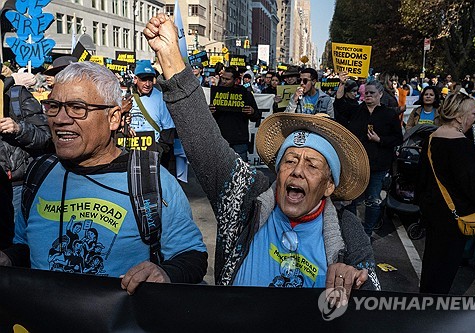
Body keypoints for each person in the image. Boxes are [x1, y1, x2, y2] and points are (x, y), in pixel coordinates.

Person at [144, 14, 380, 298]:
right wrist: (171, 58)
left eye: (312, 164)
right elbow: (205, 145)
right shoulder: (246, 200)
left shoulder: (348, 230)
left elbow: (375, 292)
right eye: (289, 160)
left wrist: (357, 282)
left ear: (329, 185)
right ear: (277, 171)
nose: (297, 171)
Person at [0, 61, 207, 294]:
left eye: (77, 108)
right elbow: (26, 247)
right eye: (53, 106)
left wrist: (166, 273)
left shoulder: (151, 180)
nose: (60, 119)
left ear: (114, 118)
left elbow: (191, 257)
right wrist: (8, 258)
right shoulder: (39, 173)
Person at [417, 91, 475, 294]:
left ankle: (425, 304)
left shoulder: (431, 137)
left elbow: (422, 179)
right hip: (456, 219)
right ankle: (433, 311)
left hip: (434, 213)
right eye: (473, 113)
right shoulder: (461, 146)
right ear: (459, 116)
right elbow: (474, 186)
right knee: (444, 271)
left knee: (431, 265)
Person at [335, 72, 403, 237]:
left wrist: (380, 139)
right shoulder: (357, 110)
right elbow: (339, 105)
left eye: (372, 93)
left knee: (372, 200)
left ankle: (367, 232)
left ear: (380, 94)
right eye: (366, 93)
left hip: (377, 165)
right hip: (356, 163)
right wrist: (342, 84)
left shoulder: (389, 114)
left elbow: (398, 138)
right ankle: (352, 231)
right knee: (350, 198)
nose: (368, 96)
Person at [1, 71, 52, 219]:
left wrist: (19, 128)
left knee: (14, 237)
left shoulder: (16, 95)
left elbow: (45, 137)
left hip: (14, 186)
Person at [129, 60, 176, 171]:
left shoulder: (160, 98)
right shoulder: (126, 96)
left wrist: (160, 150)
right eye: (144, 79)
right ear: (135, 79)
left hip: (154, 154)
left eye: (150, 79)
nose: (148, 84)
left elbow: (168, 129)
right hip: (131, 152)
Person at [209, 66, 261, 162]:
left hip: (239, 141)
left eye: (227, 79)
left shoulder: (245, 94)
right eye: (223, 78)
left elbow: (257, 116)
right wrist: (210, 111)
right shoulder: (216, 93)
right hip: (220, 140)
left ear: (236, 80)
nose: (224, 81)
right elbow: (208, 119)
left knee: (240, 173)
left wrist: (252, 112)